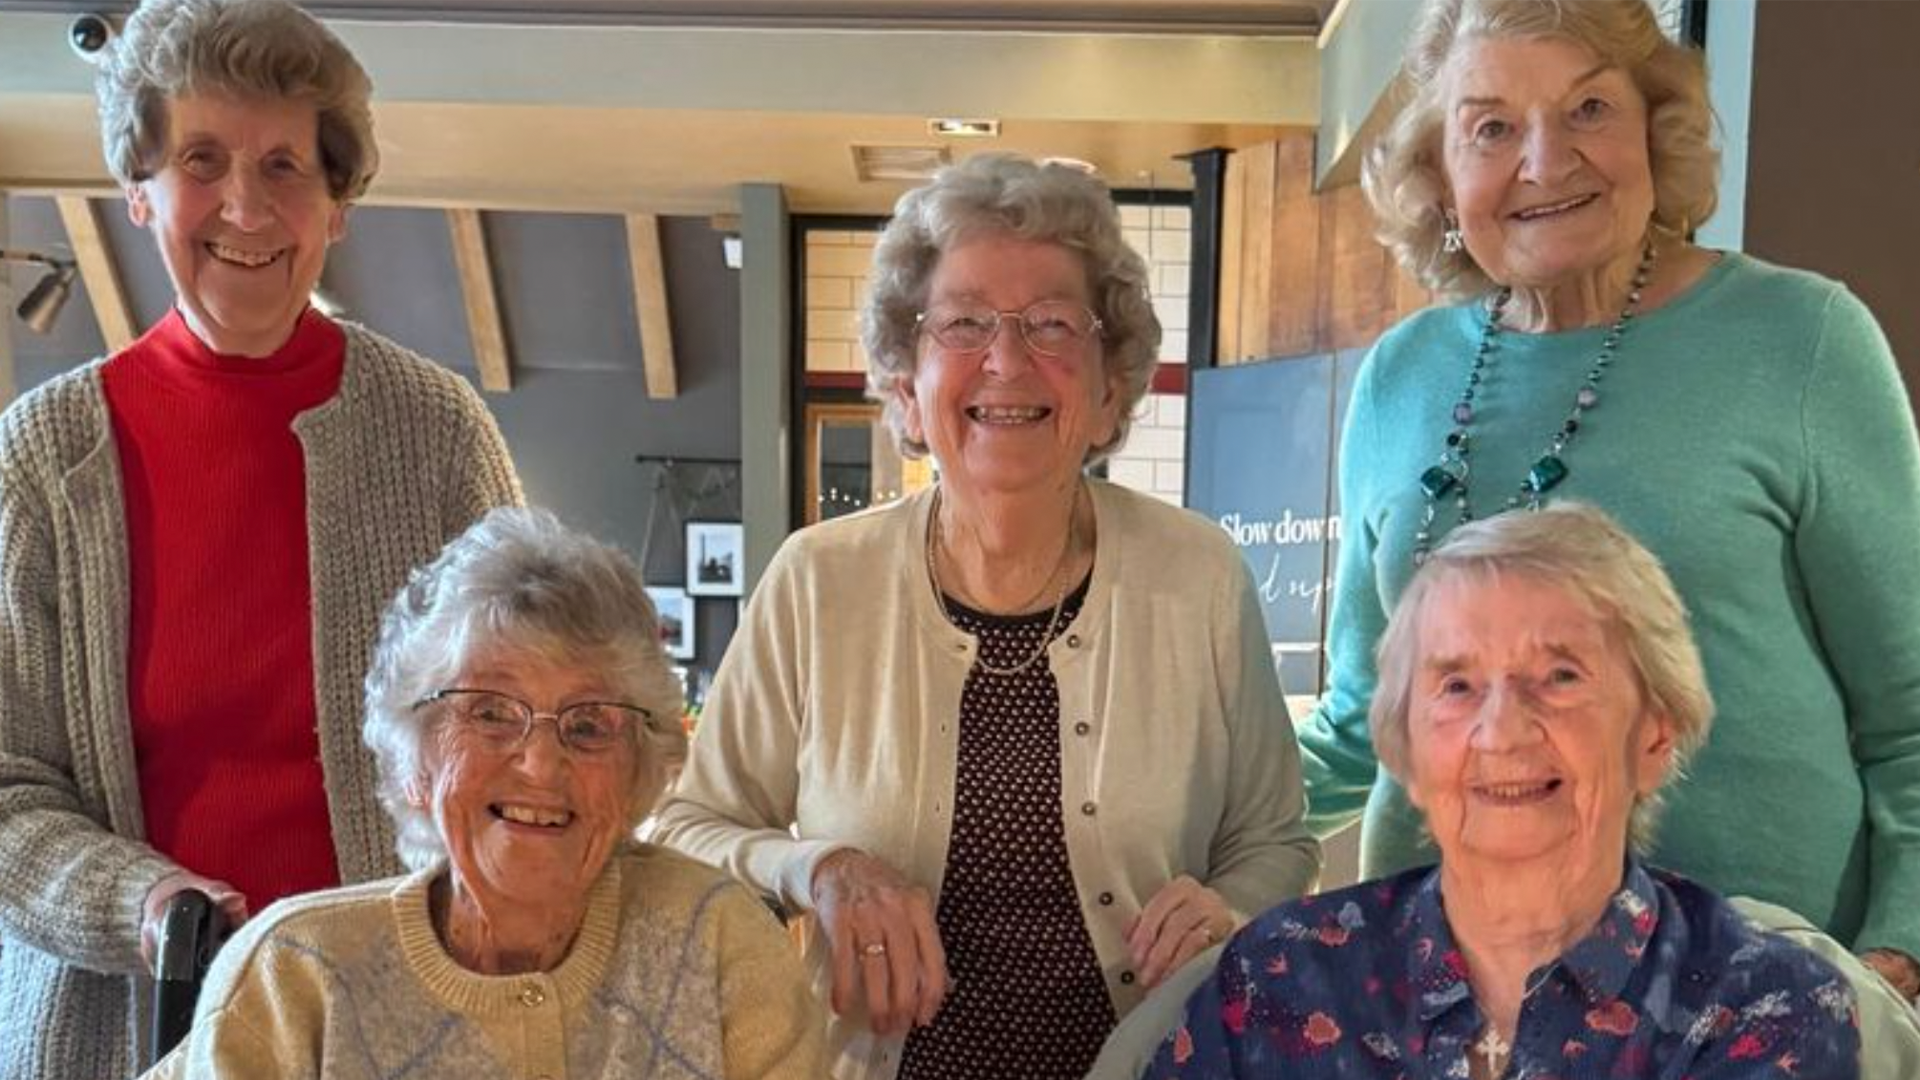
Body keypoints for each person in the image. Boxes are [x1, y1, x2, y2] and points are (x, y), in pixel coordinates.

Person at [1298, 0, 1920, 999]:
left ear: (1655, 132)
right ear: (1441, 177)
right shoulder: (1401, 377)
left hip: (1749, 1007)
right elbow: (1357, 714)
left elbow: (1911, 718)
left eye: (1588, 109)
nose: (1546, 161)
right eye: (1492, 127)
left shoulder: (1801, 342)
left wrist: (1894, 963)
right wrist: (1181, 843)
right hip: (1447, 999)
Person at [653, 153, 1319, 1080]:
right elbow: (687, 830)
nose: (1007, 359)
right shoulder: (818, 581)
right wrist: (818, 869)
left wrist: (1230, 909)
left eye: (1052, 322)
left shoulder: (1199, 575)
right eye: (963, 322)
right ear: (904, 387)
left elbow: (1274, 840)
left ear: (1110, 388)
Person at [0, 2, 521, 1076]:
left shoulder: (435, 431)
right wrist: (138, 900)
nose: (246, 204)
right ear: (139, 192)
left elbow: (525, 723)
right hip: (125, 1032)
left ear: (337, 206)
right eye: (201, 159)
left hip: (398, 1027)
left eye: (286, 164)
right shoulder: (44, 459)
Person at [1146, 504, 1862, 1079]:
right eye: (1457, 685)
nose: (1502, 731)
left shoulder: (1762, 1007)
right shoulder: (1281, 977)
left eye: (1560, 677)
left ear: (1655, 735)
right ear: (1407, 751)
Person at [142, 508, 827, 1078]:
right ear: (415, 759)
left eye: (589, 725)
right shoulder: (296, 979)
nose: (539, 764)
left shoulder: (717, 944)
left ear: (639, 774)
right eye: (491, 712)